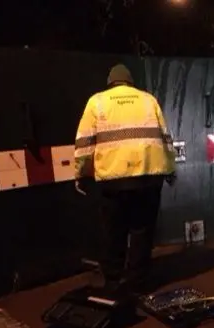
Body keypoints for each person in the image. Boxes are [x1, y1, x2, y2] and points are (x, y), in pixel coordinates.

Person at [74, 64, 176, 292]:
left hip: (113, 180)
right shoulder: (149, 101)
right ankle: (138, 284)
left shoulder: (97, 102)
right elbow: (166, 139)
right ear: (130, 82)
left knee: (113, 231)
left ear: (110, 82)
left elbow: (83, 144)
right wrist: (170, 170)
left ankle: (113, 282)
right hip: (149, 179)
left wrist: (80, 174)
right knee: (142, 231)